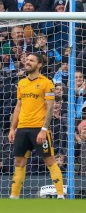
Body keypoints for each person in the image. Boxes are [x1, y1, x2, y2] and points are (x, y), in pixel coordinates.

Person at [8, 53, 64, 199]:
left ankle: (60, 195)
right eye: (26, 60)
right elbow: (18, 107)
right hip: (22, 128)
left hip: (39, 128)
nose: (27, 62)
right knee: (19, 162)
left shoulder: (47, 82)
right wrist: (12, 128)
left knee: (49, 160)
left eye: (31, 60)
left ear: (39, 65)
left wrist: (44, 129)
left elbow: (50, 107)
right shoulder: (21, 83)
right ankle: (14, 197)